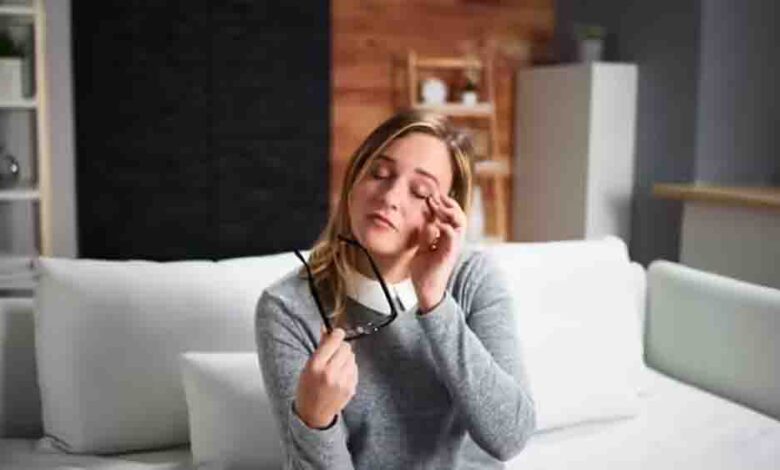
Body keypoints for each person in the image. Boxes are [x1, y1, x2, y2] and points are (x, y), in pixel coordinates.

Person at [255, 109, 535, 469]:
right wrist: (315, 419)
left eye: (421, 192)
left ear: (447, 213)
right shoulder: (288, 309)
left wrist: (435, 301)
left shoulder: (472, 278)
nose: (390, 196)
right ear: (355, 179)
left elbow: (510, 437)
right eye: (380, 173)